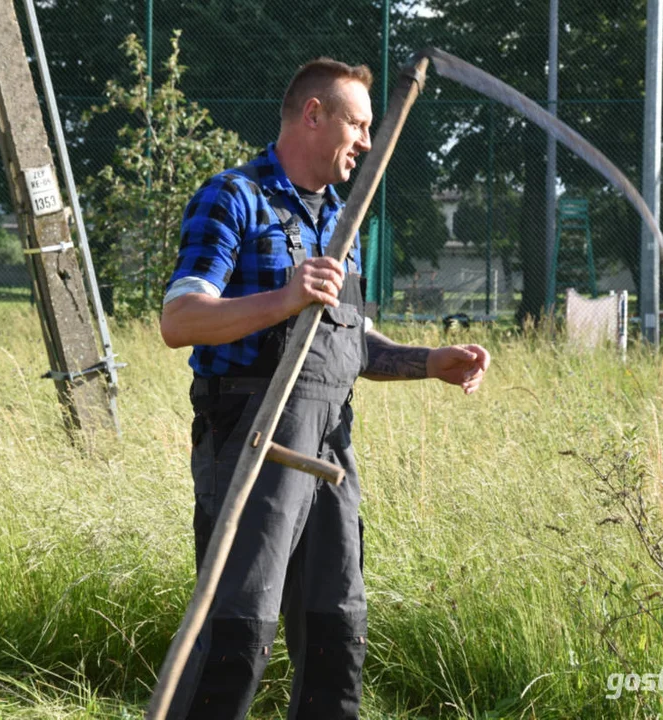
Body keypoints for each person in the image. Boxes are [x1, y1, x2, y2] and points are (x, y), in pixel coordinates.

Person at [159, 57, 490, 720]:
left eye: (371, 127)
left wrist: (431, 361)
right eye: (357, 125)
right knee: (237, 626)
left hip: (328, 450)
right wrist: (282, 296)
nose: (367, 142)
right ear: (313, 115)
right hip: (249, 437)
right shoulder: (234, 197)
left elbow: (344, 342)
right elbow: (180, 320)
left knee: (335, 622)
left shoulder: (341, 218)